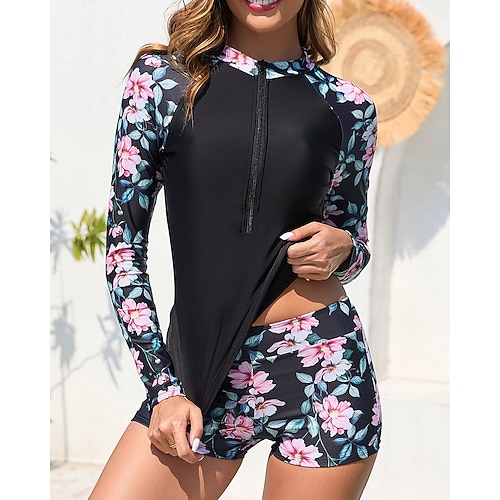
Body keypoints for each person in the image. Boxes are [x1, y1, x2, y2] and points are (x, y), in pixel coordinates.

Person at [90, 0, 382, 498]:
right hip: (200, 372)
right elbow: (123, 247)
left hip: (324, 368)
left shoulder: (348, 107)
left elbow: (353, 246)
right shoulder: (163, 81)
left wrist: (343, 248)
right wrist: (163, 387)